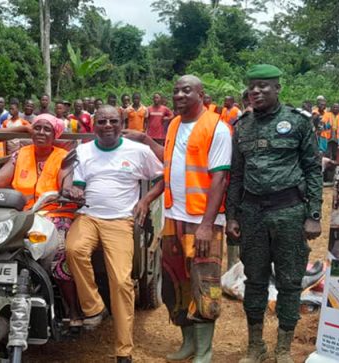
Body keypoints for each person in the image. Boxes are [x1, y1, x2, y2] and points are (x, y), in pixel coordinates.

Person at [127, 75, 232, 363]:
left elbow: (220, 179)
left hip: (202, 221)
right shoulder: (174, 124)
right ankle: (187, 344)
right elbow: (170, 167)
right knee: (176, 284)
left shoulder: (217, 128)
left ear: (201, 93)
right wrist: (148, 197)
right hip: (174, 218)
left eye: (187, 90)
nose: (179, 95)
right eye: (176, 90)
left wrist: (208, 225)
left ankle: (204, 352)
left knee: (204, 284)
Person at [225, 64, 322, 363]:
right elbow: (236, 176)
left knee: (290, 282)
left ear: (278, 88)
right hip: (252, 213)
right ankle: (256, 347)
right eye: (252, 86)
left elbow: (312, 168)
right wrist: (231, 216)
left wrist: (314, 214)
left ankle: (283, 349)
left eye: (263, 86)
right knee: (254, 281)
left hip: (289, 212)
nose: (256, 91)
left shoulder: (298, 122)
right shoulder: (242, 126)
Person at [64, 105, 164, 363]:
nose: (107, 126)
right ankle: (94, 307)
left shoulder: (139, 151)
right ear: (94, 125)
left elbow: (161, 177)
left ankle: (124, 350)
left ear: (122, 123)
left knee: (121, 282)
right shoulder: (84, 151)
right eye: (102, 122)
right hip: (88, 216)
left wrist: (146, 201)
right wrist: (76, 191)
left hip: (120, 221)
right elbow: (78, 182)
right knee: (73, 249)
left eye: (113, 121)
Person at [0, 113, 83, 326]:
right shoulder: (21, 154)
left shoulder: (62, 156)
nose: (41, 133)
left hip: (54, 212)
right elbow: (1, 177)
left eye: (47, 129)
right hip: (21, 214)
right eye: (37, 128)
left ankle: (73, 311)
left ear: (55, 135)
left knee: (59, 256)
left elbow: (66, 179)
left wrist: (67, 190)